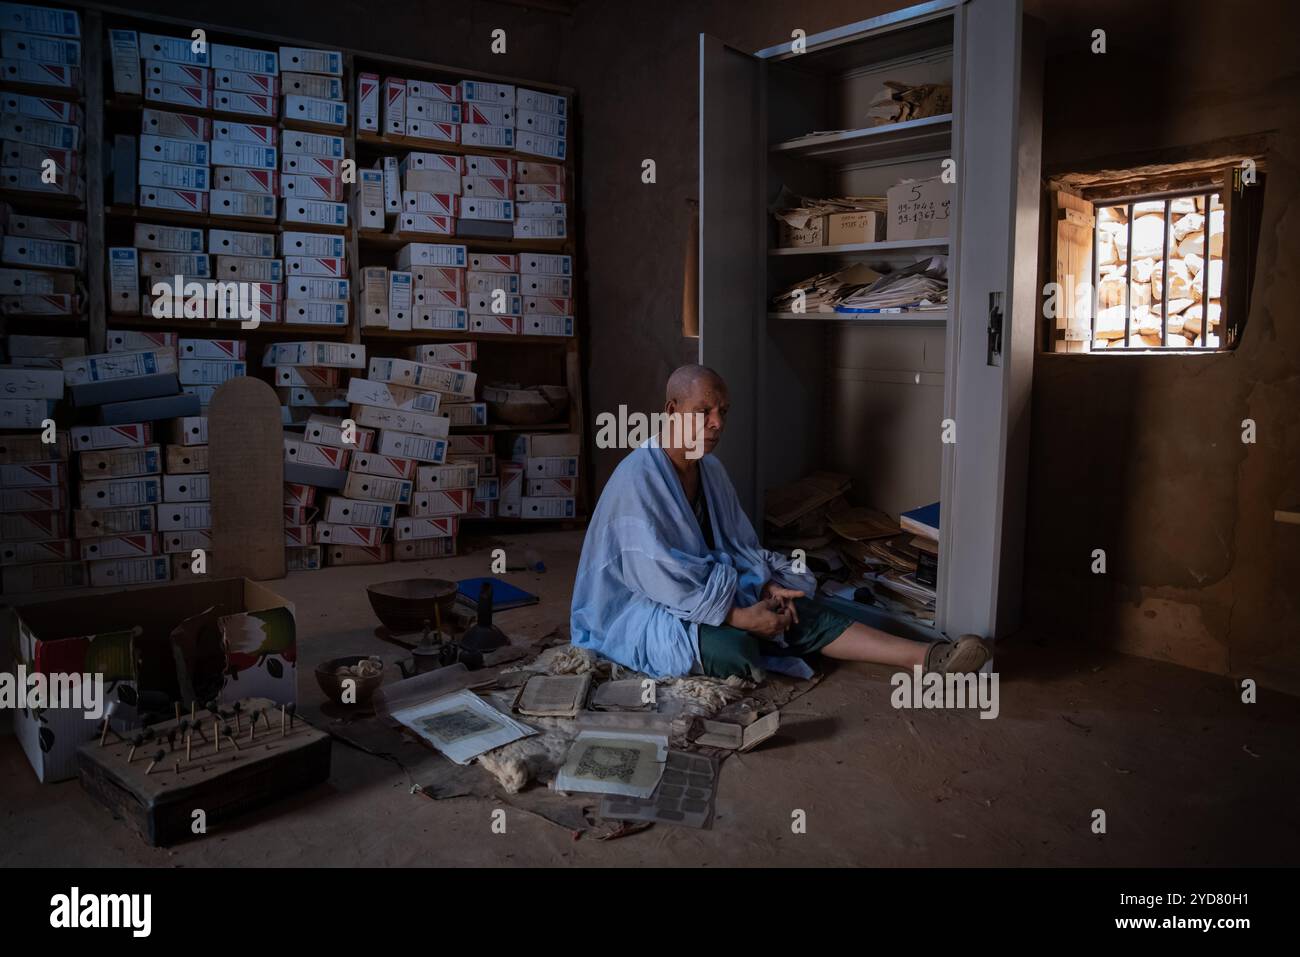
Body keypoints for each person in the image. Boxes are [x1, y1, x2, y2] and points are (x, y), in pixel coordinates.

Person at [570, 364, 991, 681]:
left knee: (789, 605)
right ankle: (761, 632)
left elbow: (737, 549)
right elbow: (656, 577)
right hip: (637, 608)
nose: (717, 423)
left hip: (702, 592)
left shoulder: (710, 470)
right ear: (671, 410)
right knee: (737, 649)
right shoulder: (637, 477)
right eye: (703, 411)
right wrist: (739, 616)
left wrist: (764, 584)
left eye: (723, 411)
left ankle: (927, 657)